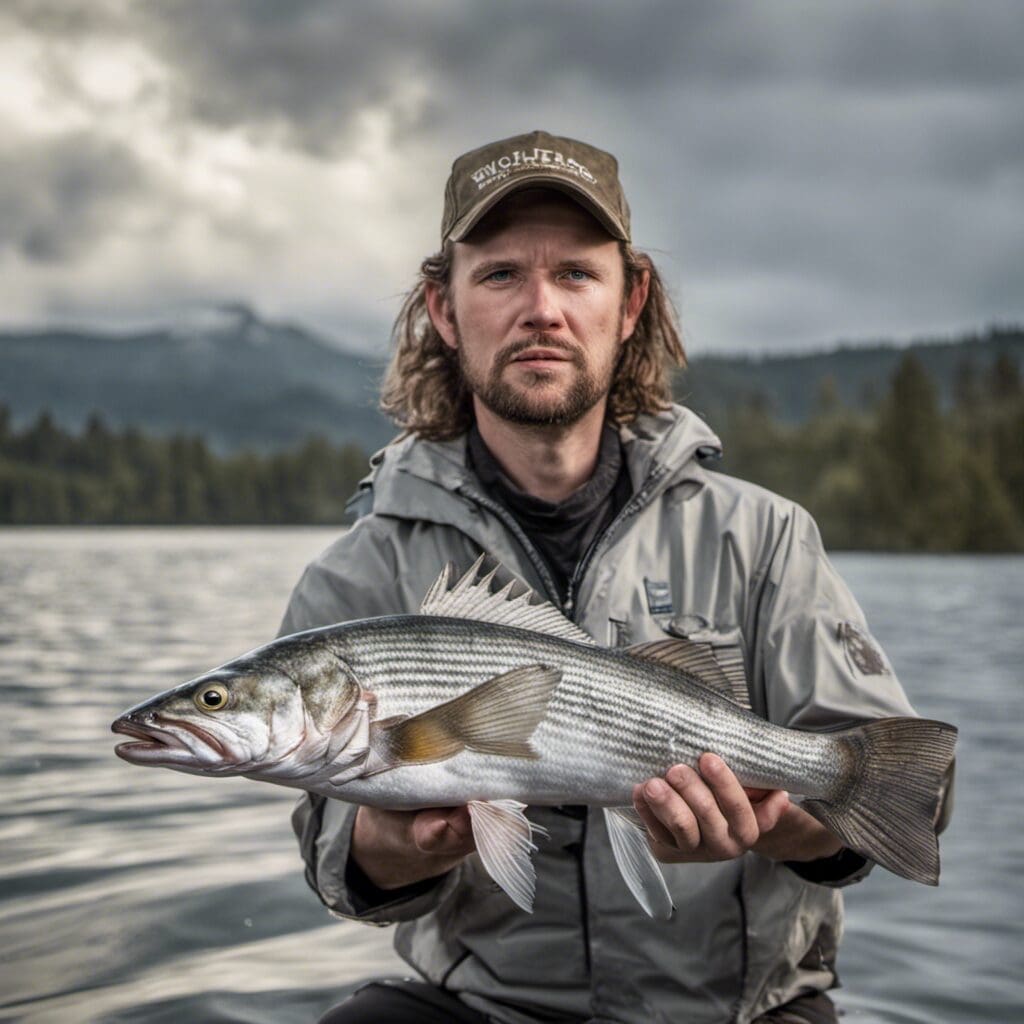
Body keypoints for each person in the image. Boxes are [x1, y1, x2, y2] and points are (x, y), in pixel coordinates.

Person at [281, 130, 919, 1024]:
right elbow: (332, 860)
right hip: (484, 1009)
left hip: (740, 1011)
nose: (541, 308)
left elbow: (887, 800)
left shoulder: (765, 536)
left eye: (576, 274)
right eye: (500, 274)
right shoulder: (361, 571)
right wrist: (390, 843)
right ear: (443, 306)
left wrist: (769, 819)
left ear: (631, 301)